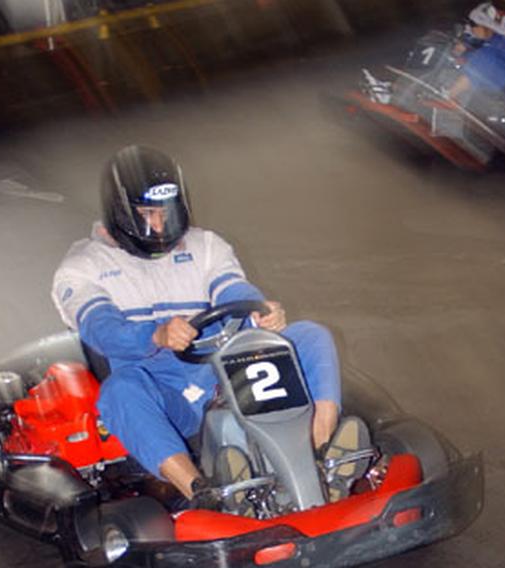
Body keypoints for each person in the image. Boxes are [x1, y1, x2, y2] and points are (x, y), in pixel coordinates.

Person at [51, 145, 361, 506]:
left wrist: (260, 309)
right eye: (148, 213)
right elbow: (100, 329)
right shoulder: (81, 267)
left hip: (222, 375)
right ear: (121, 213)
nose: (160, 225)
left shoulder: (205, 246)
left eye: (166, 212)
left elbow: (233, 290)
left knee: (310, 335)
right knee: (120, 390)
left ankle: (322, 456)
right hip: (162, 394)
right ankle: (205, 494)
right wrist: (155, 335)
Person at [446, 0, 505, 101]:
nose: (502, 11)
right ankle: (434, 80)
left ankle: (450, 96)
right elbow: (470, 30)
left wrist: (491, 35)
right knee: (442, 41)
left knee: (487, 57)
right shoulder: (484, 9)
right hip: (477, 53)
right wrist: (463, 44)